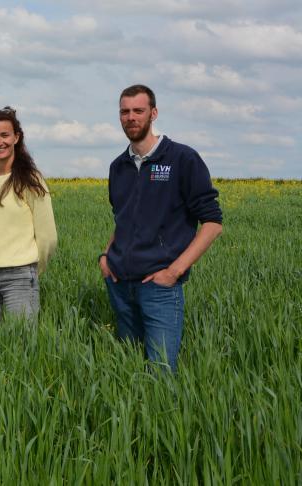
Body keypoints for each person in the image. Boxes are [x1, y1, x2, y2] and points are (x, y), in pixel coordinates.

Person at [100, 84, 223, 372]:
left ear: (153, 113)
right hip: (119, 284)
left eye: (138, 111)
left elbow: (213, 224)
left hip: (160, 288)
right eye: (125, 111)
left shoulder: (182, 159)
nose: (131, 117)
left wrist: (174, 271)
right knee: (127, 367)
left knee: (161, 373)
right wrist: (106, 257)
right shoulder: (118, 166)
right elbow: (122, 219)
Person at [0, 107, 57, 321]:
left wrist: (31, 271)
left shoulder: (31, 180)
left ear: (16, 137)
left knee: (21, 344)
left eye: (4, 135)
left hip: (19, 275)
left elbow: (48, 236)